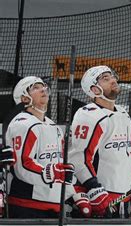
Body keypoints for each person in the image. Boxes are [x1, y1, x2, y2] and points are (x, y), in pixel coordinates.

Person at [69, 66, 131, 218]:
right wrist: (93, 188)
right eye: (105, 79)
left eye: (112, 76)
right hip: (100, 197)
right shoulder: (88, 115)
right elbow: (78, 158)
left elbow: (126, 155)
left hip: (123, 197)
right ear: (94, 89)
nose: (113, 80)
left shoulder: (122, 113)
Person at [6, 76, 91, 218]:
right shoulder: (22, 124)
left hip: (53, 203)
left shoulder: (52, 126)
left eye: (43, 86)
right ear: (25, 99)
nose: (43, 89)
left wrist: (74, 194)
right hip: (27, 204)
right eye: (35, 88)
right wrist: (50, 173)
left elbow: (60, 168)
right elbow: (21, 166)